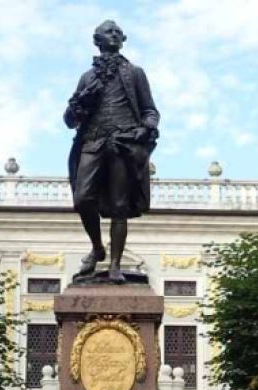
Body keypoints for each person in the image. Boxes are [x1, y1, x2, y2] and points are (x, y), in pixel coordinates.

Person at [64, 20, 160, 282]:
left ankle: (115, 265)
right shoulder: (87, 78)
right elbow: (70, 120)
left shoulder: (135, 73)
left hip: (122, 143)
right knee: (83, 198)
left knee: (119, 206)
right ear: (98, 40)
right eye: (109, 32)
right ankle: (97, 247)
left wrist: (145, 128)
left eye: (118, 32)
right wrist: (81, 102)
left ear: (123, 39)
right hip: (93, 141)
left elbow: (150, 110)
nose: (115, 35)